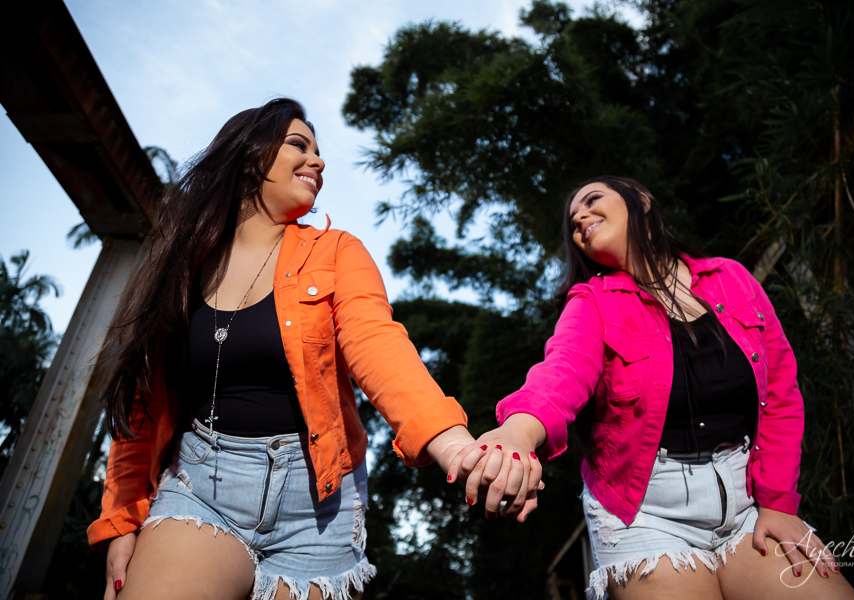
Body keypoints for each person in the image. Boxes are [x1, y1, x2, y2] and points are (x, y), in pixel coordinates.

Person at [87, 98, 538, 600]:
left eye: (319, 152)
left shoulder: (337, 251)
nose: (318, 161)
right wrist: (121, 521)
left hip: (318, 505)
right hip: (201, 486)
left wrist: (453, 443)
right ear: (246, 156)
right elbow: (138, 409)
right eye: (298, 145)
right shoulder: (177, 267)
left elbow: (378, 344)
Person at [453, 177, 854, 599]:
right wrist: (517, 433)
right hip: (642, 514)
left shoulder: (731, 278)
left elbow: (780, 394)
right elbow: (563, 370)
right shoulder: (592, 301)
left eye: (593, 201)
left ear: (643, 203)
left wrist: (777, 504)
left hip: (747, 503)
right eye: (573, 220)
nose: (579, 218)